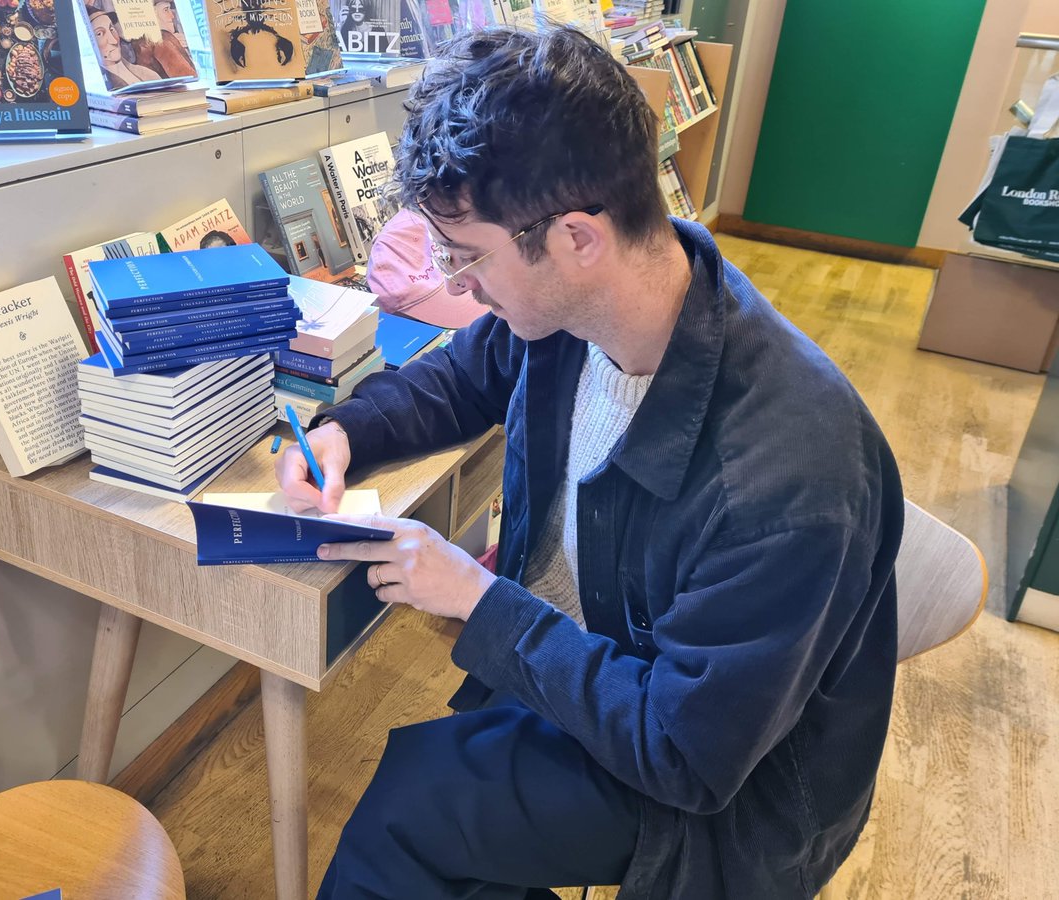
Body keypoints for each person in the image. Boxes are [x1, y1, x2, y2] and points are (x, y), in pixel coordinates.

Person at [276, 26, 903, 900]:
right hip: (605, 667)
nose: (459, 285)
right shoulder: (580, 313)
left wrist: (480, 601)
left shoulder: (790, 475)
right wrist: (346, 431)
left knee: (413, 810)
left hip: (727, 796)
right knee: (454, 821)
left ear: (576, 236)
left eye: (467, 257)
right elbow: (460, 377)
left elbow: (688, 755)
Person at [86, 4, 161, 89]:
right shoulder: (98, 84)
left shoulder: (148, 74)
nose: (113, 40)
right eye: (99, 34)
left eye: (111, 29)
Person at [135, 0, 197, 79]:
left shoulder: (145, 39)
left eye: (170, 9)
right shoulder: (162, 40)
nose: (172, 16)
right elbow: (189, 77)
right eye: (166, 10)